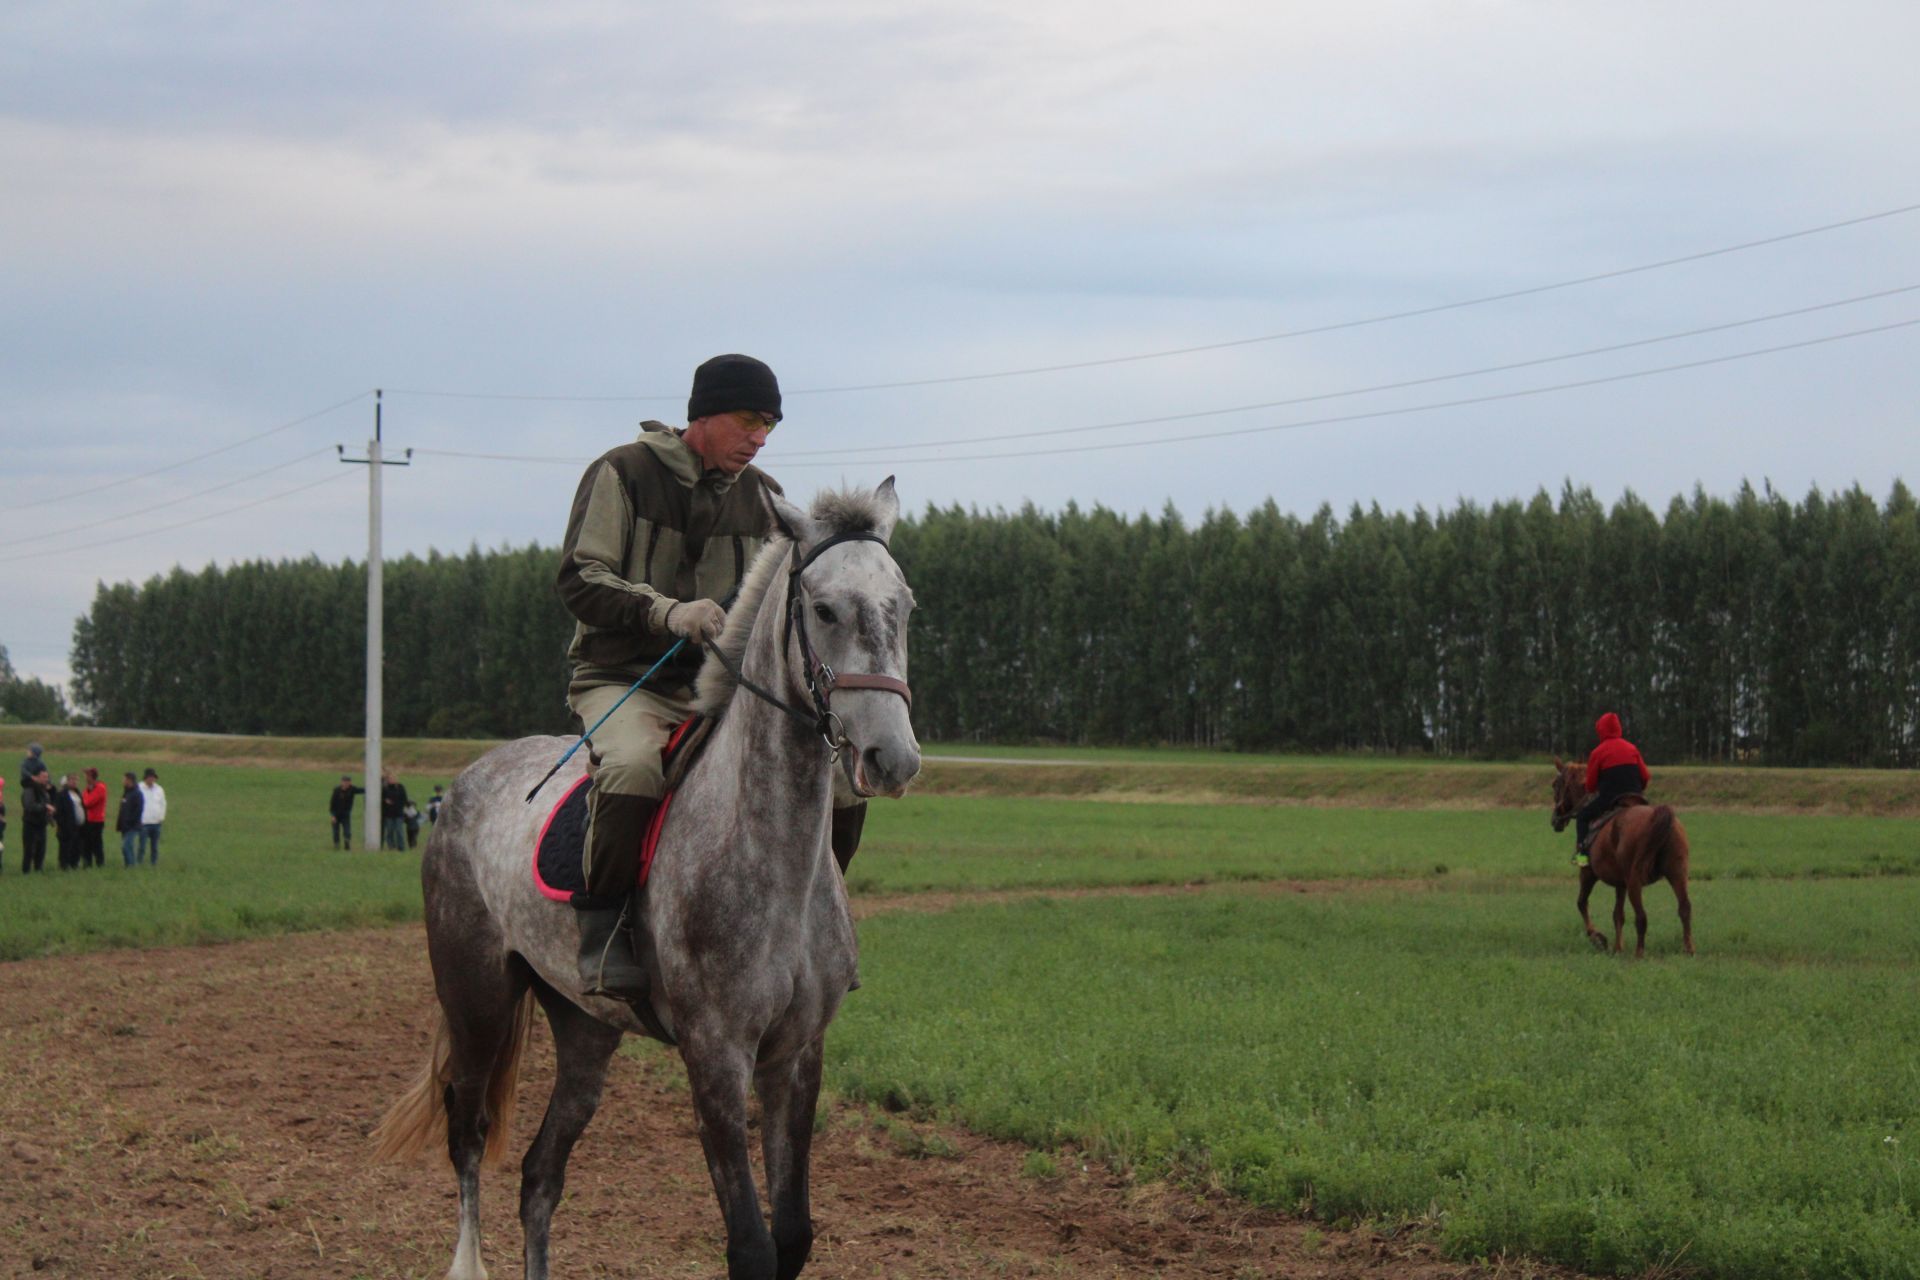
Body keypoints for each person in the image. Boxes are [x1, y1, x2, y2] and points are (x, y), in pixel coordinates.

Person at [552, 353, 871, 999]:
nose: (759, 438)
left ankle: (818, 921)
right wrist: (666, 613)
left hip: (723, 688)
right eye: (749, 421)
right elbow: (580, 579)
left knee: (840, 781)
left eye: (770, 427)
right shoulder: (621, 472)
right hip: (626, 678)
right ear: (703, 414)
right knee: (635, 765)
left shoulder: (765, 499)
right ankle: (607, 932)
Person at [1574, 711, 1651, 867]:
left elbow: (1590, 786)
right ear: (1618, 728)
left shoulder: (1597, 752)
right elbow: (1645, 776)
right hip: (1636, 798)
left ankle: (1582, 858)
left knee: (1582, 817)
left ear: (1601, 730)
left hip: (1610, 800)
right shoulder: (1632, 748)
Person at [20, 764, 53, 873]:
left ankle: (38, 870)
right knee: (29, 850)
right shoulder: (29, 790)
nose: (46, 779)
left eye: (47, 777)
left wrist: (49, 817)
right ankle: (26, 872)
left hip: (41, 825)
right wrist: (44, 807)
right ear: (35, 777)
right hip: (31, 824)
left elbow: (45, 805)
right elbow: (29, 806)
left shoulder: (43, 790)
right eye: (43, 777)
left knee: (41, 850)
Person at [53, 775, 84, 870]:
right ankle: (64, 865)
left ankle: (74, 864)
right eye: (72, 780)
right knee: (65, 847)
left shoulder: (78, 793)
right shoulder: (62, 794)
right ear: (67, 782)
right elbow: (57, 812)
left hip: (78, 826)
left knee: (76, 846)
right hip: (66, 827)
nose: (74, 782)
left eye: (76, 780)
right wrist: (62, 823)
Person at [138, 768, 167, 866]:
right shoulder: (139, 788)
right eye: (150, 777)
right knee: (142, 845)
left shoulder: (159, 789)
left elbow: (163, 804)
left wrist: (161, 818)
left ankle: (153, 863)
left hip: (156, 823)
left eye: (153, 777)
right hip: (144, 823)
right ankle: (139, 862)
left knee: (154, 846)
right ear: (146, 777)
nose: (152, 779)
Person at [329, 775, 364, 850]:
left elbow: (362, 790)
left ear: (350, 782)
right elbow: (332, 804)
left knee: (347, 831)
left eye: (348, 782)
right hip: (336, 814)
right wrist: (333, 816)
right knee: (336, 832)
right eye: (344, 782)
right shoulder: (336, 790)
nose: (346, 784)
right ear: (341, 782)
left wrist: (376, 785)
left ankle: (347, 844)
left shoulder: (352, 789)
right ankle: (336, 845)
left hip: (346, 815)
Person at [81, 767, 107, 868]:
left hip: (96, 821)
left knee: (96, 844)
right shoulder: (89, 788)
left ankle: (100, 864)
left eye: (87, 775)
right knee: (86, 844)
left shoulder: (100, 788)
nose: (85, 777)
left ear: (92, 776)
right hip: (88, 819)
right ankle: (87, 864)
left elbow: (87, 802)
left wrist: (86, 793)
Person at [116, 771, 143, 866]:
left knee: (126, 846)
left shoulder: (137, 794)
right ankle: (128, 865)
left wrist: (130, 822)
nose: (123, 781)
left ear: (129, 780)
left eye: (124, 779)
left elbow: (138, 811)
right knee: (128, 847)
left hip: (132, 826)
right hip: (124, 826)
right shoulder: (126, 793)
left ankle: (131, 866)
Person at [380, 771, 410, 851]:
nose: (391, 780)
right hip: (388, 813)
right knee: (389, 831)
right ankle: (391, 847)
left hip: (398, 813)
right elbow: (381, 798)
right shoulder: (385, 788)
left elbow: (405, 799)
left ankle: (401, 847)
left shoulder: (400, 787)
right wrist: (385, 801)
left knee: (399, 831)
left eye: (393, 778)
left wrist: (403, 805)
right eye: (390, 778)